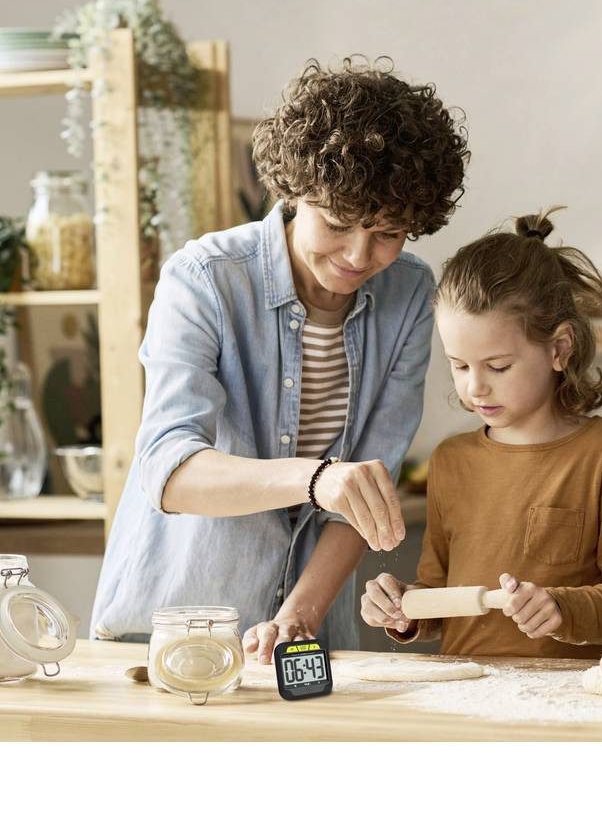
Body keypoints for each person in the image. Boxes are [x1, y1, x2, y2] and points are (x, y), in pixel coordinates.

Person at [91, 57, 470, 663]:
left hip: (305, 636)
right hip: (174, 626)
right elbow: (168, 469)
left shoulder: (409, 296)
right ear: (292, 191)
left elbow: (368, 492)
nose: (358, 254)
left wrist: (298, 617)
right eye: (339, 223)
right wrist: (317, 478)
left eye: (389, 233)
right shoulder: (205, 278)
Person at [360, 210, 602, 658]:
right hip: (464, 697)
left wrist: (561, 609)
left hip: (565, 705)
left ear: (559, 349)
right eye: (459, 365)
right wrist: (403, 608)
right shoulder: (451, 461)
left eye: (498, 366)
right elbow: (437, 593)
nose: (475, 386)